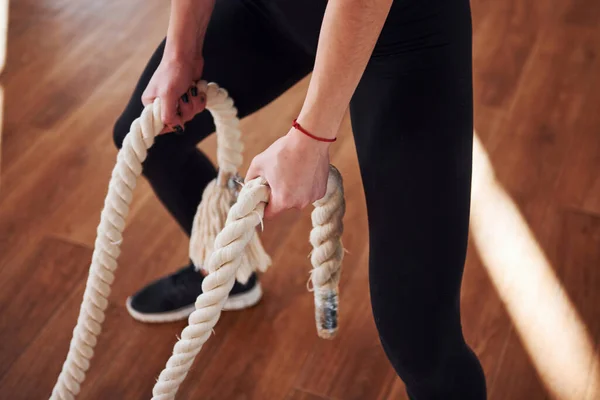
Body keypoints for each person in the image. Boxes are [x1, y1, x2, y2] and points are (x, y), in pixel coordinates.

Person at [113, 0, 486, 398]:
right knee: (150, 139)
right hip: (276, 10)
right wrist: (181, 52)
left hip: (400, 32)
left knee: (419, 339)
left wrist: (311, 137)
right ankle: (225, 271)